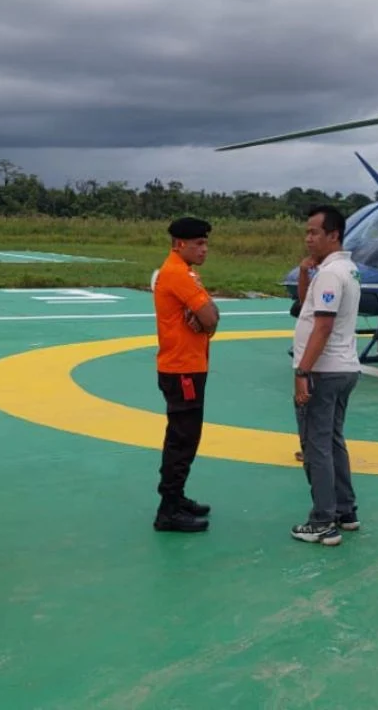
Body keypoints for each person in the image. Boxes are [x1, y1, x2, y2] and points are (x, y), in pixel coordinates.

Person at [291, 205, 362, 546]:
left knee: (315, 445)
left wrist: (303, 371)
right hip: (344, 368)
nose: (308, 239)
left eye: (314, 232)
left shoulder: (332, 274)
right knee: (333, 440)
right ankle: (345, 510)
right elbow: (310, 307)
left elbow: (323, 324)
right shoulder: (343, 269)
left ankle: (322, 521)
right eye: (307, 232)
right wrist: (306, 273)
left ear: (334, 235)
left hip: (325, 370)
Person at [151, 216, 219, 533]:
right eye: (199, 243)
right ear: (180, 244)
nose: (205, 249)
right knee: (182, 438)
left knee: (185, 436)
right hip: (183, 371)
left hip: (188, 367)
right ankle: (168, 509)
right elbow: (210, 316)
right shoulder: (178, 274)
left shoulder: (188, 273)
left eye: (205, 243)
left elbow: (211, 317)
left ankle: (176, 498)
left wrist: (208, 320)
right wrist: (208, 320)